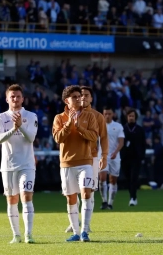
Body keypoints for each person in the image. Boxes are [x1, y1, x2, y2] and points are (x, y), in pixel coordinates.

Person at [52, 85, 100, 242]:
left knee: (87, 193)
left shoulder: (90, 116)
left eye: (80, 96)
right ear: (67, 100)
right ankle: (76, 232)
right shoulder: (59, 118)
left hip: (85, 162)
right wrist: (69, 125)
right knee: (71, 198)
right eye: (75, 97)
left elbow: (93, 137)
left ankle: (85, 231)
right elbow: (58, 138)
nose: (79, 99)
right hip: (66, 164)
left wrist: (79, 127)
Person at [0, 84, 38, 244]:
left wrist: (21, 127)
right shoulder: (1, 118)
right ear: (7, 99)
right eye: (12, 96)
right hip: (8, 166)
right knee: (12, 200)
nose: (15, 99)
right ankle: (16, 235)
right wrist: (14, 128)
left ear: (23, 98)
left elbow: (31, 138)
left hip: (27, 164)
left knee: (26, 197)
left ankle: (28, 234)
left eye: (18, 96)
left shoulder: (31, 115)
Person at [64, 86, 108, 232]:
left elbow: (103, 138)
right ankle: (75, 222)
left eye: (86, 95)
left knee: (89, 191)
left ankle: (86, 224)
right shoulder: (68, 114)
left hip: (92, 157)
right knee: (73, 192)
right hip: (74, 158)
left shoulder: (97, 116)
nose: (83, 97)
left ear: (91, 98)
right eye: (80, 95)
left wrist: (104, 156)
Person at [99, 106, 125, 209]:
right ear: (103, 114)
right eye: (105, 114)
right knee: (102, 178)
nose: (107, 116)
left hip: (115, 156)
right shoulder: (99, 125)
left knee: (113, 180)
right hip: (102, 156)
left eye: (109, 114)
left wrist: (115, 152)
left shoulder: (118, 126)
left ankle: (110, 203)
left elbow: (121, 142)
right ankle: (104, 201)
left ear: (113, 114)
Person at [120, 109, 146, 206]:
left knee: (133, 178)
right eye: (129, 116)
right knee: (127, 179)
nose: (131, 118)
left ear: (135, 117)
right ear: (127, 117)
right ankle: (132, 196)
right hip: (125, 158)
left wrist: (142, 156)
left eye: (133, 116)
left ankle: (133, 198)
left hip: (136, 158)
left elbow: (143, 144)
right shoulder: (122, 129)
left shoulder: (140, 129)